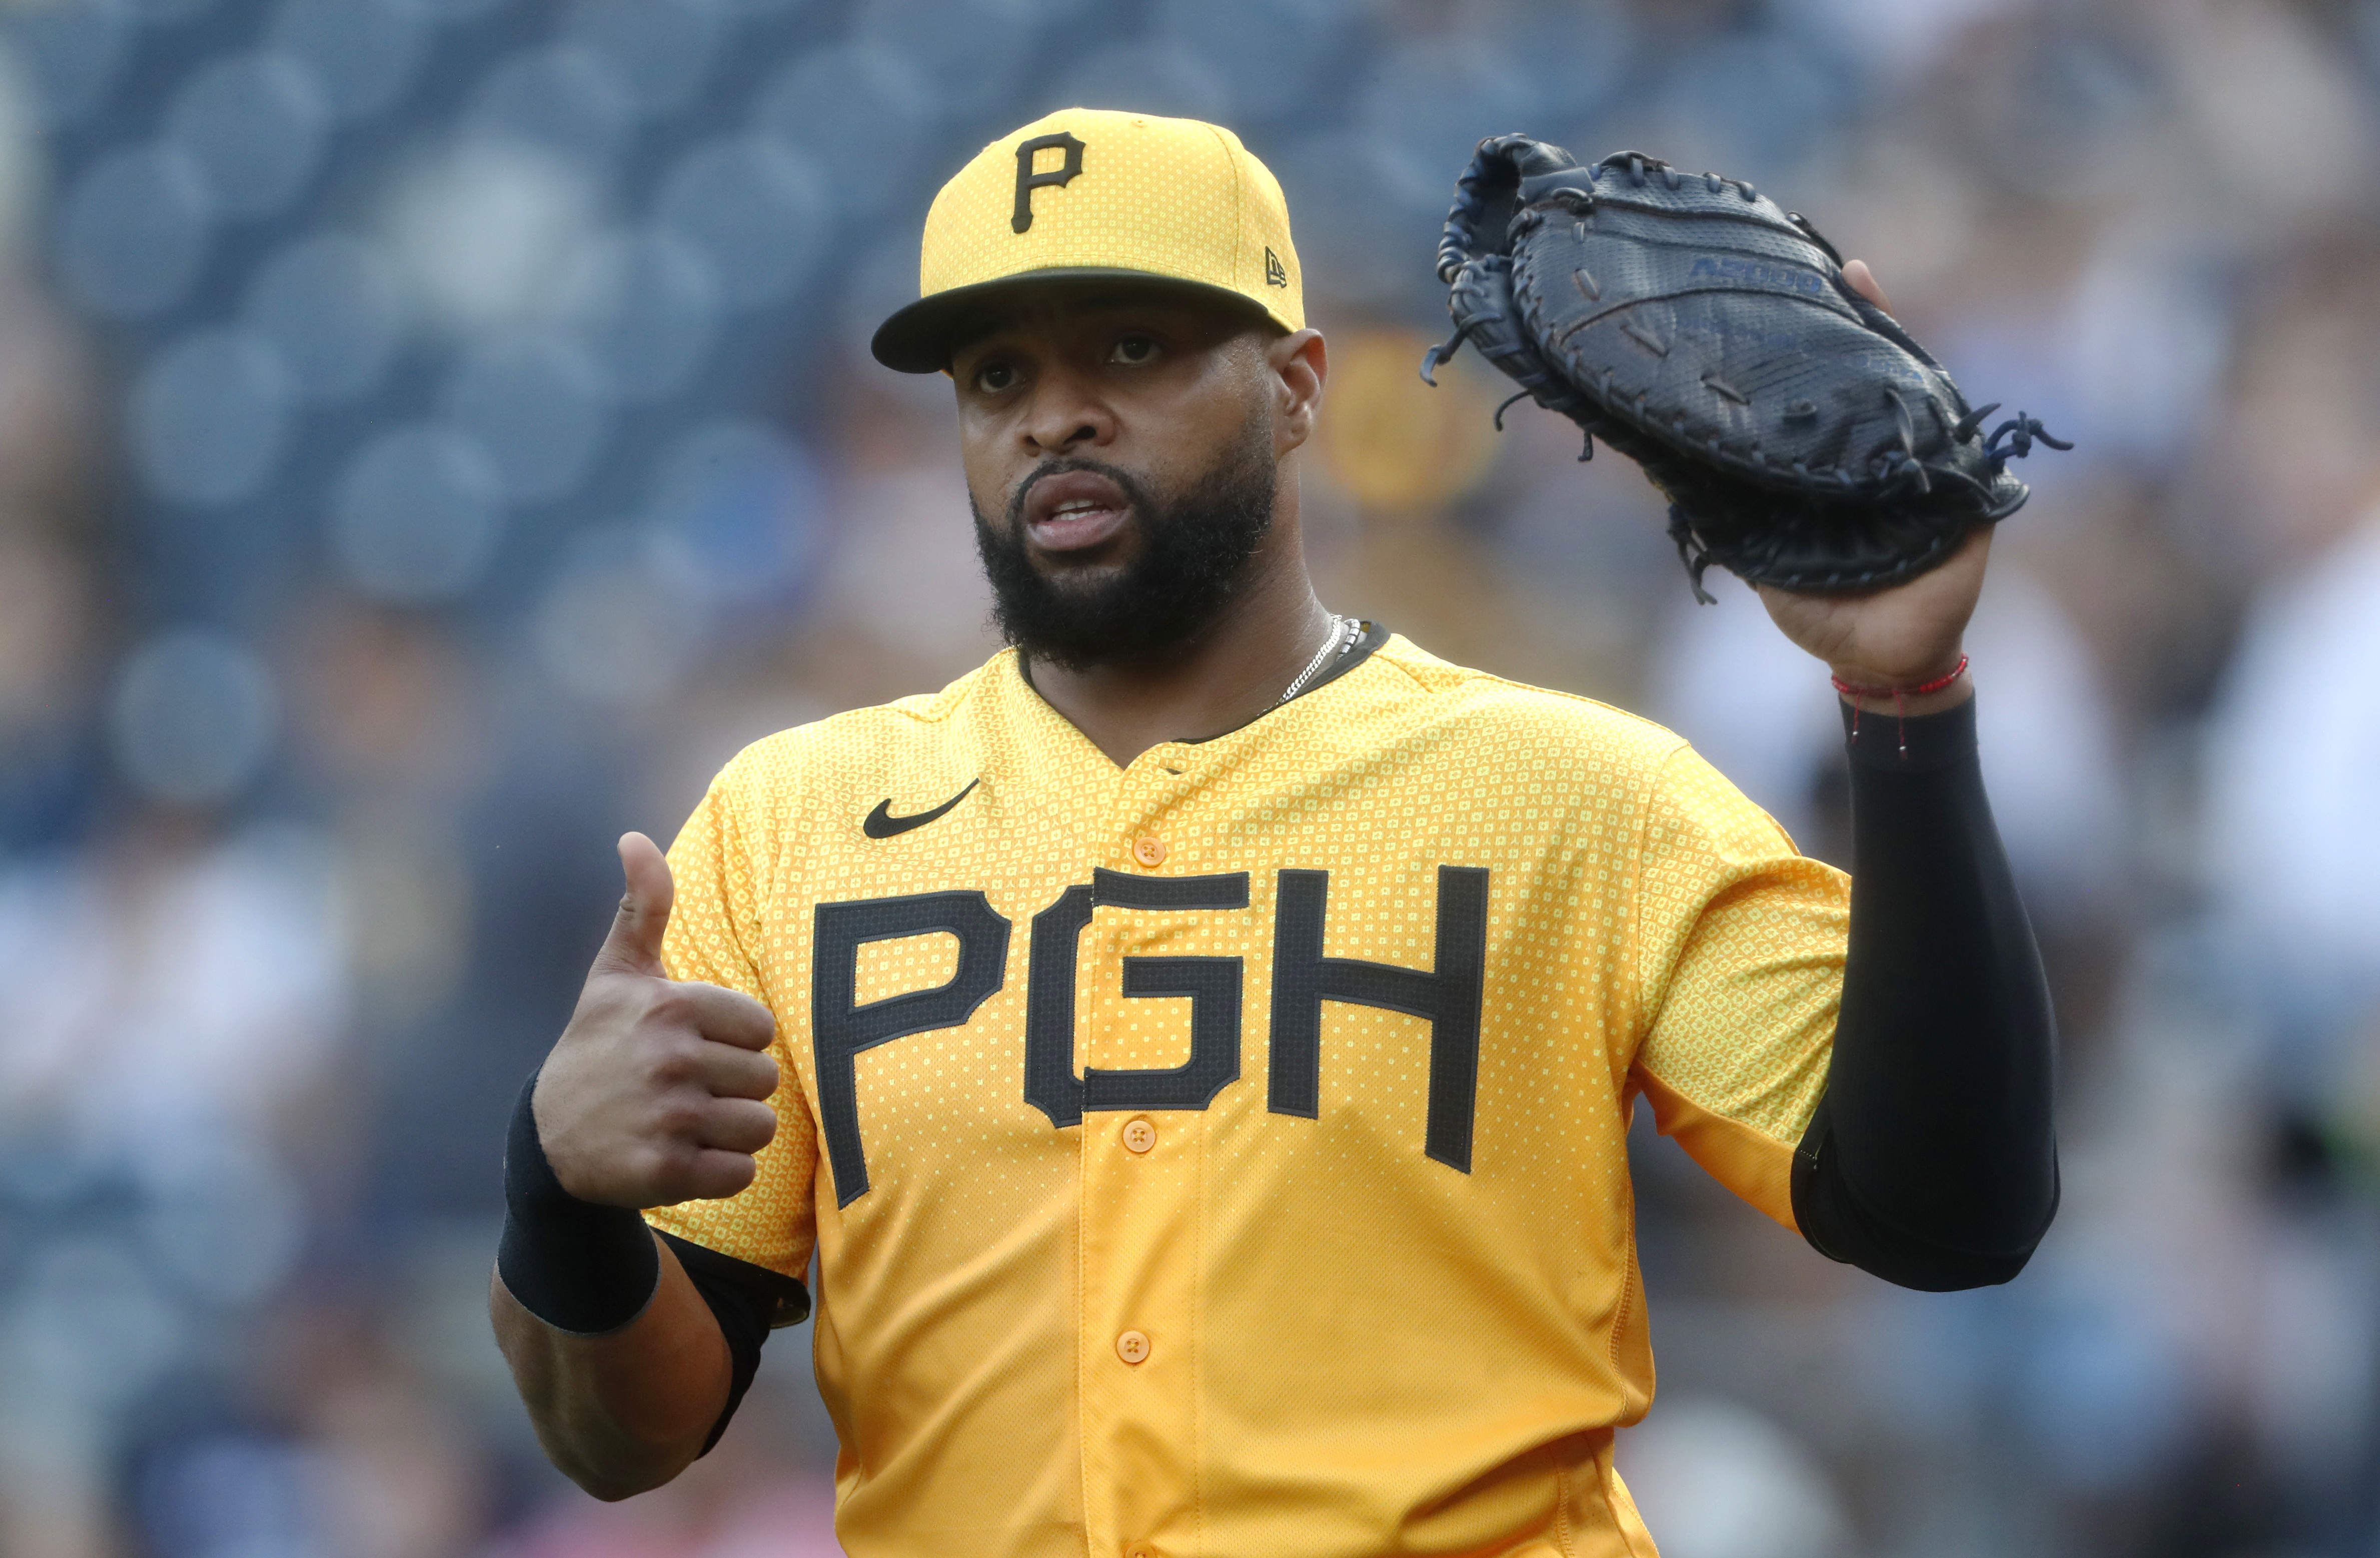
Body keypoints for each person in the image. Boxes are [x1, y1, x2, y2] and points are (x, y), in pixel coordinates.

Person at [490, 108, 2058, 1558]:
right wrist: (559, 1201)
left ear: (1301, 384)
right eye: (997, 377)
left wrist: (1907, 696)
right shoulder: (791, 826)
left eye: (1132, 344)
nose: (1056, 417)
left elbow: (1946, 1208)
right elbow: (626, 1437)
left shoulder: (1569, 791)